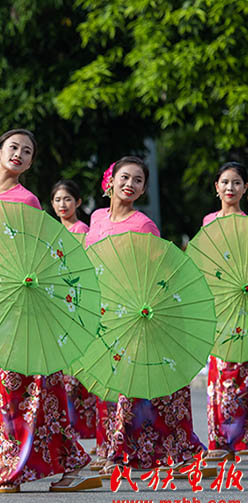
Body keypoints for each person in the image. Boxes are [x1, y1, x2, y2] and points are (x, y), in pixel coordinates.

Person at [0, 130, 96, 493]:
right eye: (14, 148)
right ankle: (72, 462)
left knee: (18, 385)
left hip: (23, 300)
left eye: (27, 151)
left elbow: (34, 252)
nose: (19, 154)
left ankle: (10, 470)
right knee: (35, 387)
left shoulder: (27, 201)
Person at [88, 156, 205, 474]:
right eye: (125, 177)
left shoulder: (143, 225)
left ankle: (124, 451)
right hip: (105, 313)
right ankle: (110, 446)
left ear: (142, 190)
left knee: (135, 385)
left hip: (136, 312)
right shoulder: (97, 218)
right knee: (109, 383)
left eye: (137, 180)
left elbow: (160, 271)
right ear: (109, 181)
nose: (130, 184)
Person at [203, 162, 248, 463]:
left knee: (241, 372)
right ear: (216, 187)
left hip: (242, 303)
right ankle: (218, 438)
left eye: (236, 182)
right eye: (224, 182)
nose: (229, 188)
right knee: (218, 372)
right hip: (217, 302)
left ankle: (241, 439)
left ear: (246, 188)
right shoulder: (208, 222)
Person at [49, 180, 96, 442]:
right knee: (62, 372)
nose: (62, 205)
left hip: (76, 302)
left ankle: (81, 429)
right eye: (57, 200)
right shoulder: (51, 233)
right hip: (56, 304)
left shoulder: (83, 231)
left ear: (78, 202)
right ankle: (68, 430)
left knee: (78, 371)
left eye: (67, 199)